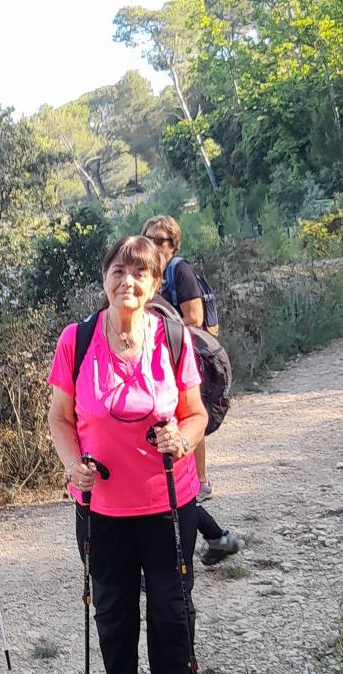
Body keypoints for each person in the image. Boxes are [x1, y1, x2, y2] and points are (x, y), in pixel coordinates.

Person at [48, 236, 208, 674]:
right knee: (113, 610)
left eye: (140, 274)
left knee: (169, 606)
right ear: (105, 278)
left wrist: (183, 440)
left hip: (167, 500)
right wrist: (74, 466)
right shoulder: (77, 339)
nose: (128, 282)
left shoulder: (173, 337)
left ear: (156, 284)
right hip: (101, 506)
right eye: (119, 271)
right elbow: (59, 418)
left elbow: (196, 412)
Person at [142, 215, 243, 566]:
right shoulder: (147, 276)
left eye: (161, 240)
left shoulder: (179, 272)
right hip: (163, 369)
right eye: (148, 238)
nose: (154, 245)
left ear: (173, 244)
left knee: (174, 458)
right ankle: (216, 537)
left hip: (185, 365)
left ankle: (200, 489)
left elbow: (195, 319)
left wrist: (155, 340)